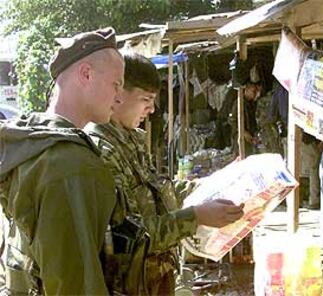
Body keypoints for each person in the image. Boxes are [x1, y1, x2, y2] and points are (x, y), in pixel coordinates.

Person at [85, 51, 244, 295]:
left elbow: (160, 192)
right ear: (118, 94)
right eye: (145, 99)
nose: (152, 109)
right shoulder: (101, 150)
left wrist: (219, 183)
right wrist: (196, 217)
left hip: (156, 280)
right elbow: (126, 237)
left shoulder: (131, 140)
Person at [0, 27, 124, 295]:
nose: (119, 97)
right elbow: (77, 286)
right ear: (86, 74)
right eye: (116, 84)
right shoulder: (70, 163)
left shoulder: (29, 142)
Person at [230, 81, 262, 156]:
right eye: (253, 91)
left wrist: (254, 135)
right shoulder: (238, 103)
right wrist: (244, 133)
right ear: (246, 90)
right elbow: (233, 121)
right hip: (240, 137)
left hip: (250, 137)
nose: (254, 94)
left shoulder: (253, 104)